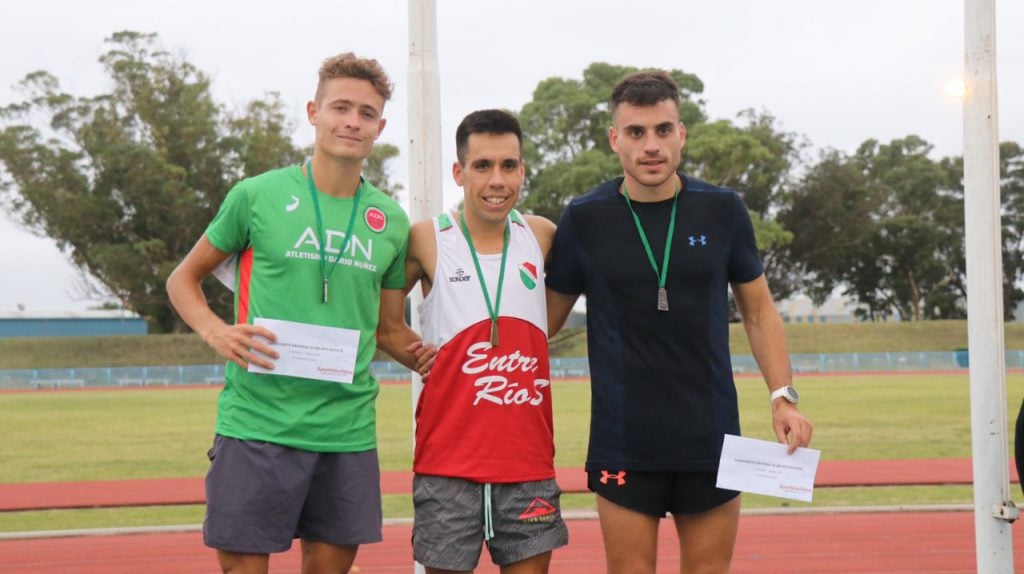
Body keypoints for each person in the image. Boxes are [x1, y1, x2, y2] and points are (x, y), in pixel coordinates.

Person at [166, 52, 431, 574]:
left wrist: (437, 358)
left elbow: (387, 329)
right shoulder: (256, 196)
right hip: (257, 423)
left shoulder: (392, 221)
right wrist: (216, 332)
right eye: (341, 107)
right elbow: (183, 279)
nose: (352, 121)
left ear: (380, 125)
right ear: (314, 112)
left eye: (367, 112)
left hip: (346, 430)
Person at [545, 70, 814, 573]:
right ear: (614, 139)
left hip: (709, 435)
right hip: (623, 438)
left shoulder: (723, 209)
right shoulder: (585, 217)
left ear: (682, 133)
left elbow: (759, 311)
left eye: (663, 130)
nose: (651, 146)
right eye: (636, 132)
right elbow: (540, 325)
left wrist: (784, 396)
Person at [403, 109, 568, 573]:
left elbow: (547, 316)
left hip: (528, 460)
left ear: (522, 170)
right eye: (482, 166)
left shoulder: (541, 234)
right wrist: (418, 356)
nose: (498, 180)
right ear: (459, 172)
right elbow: (381, 322)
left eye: (509, 166)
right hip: (447, 462)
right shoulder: (426, 239)